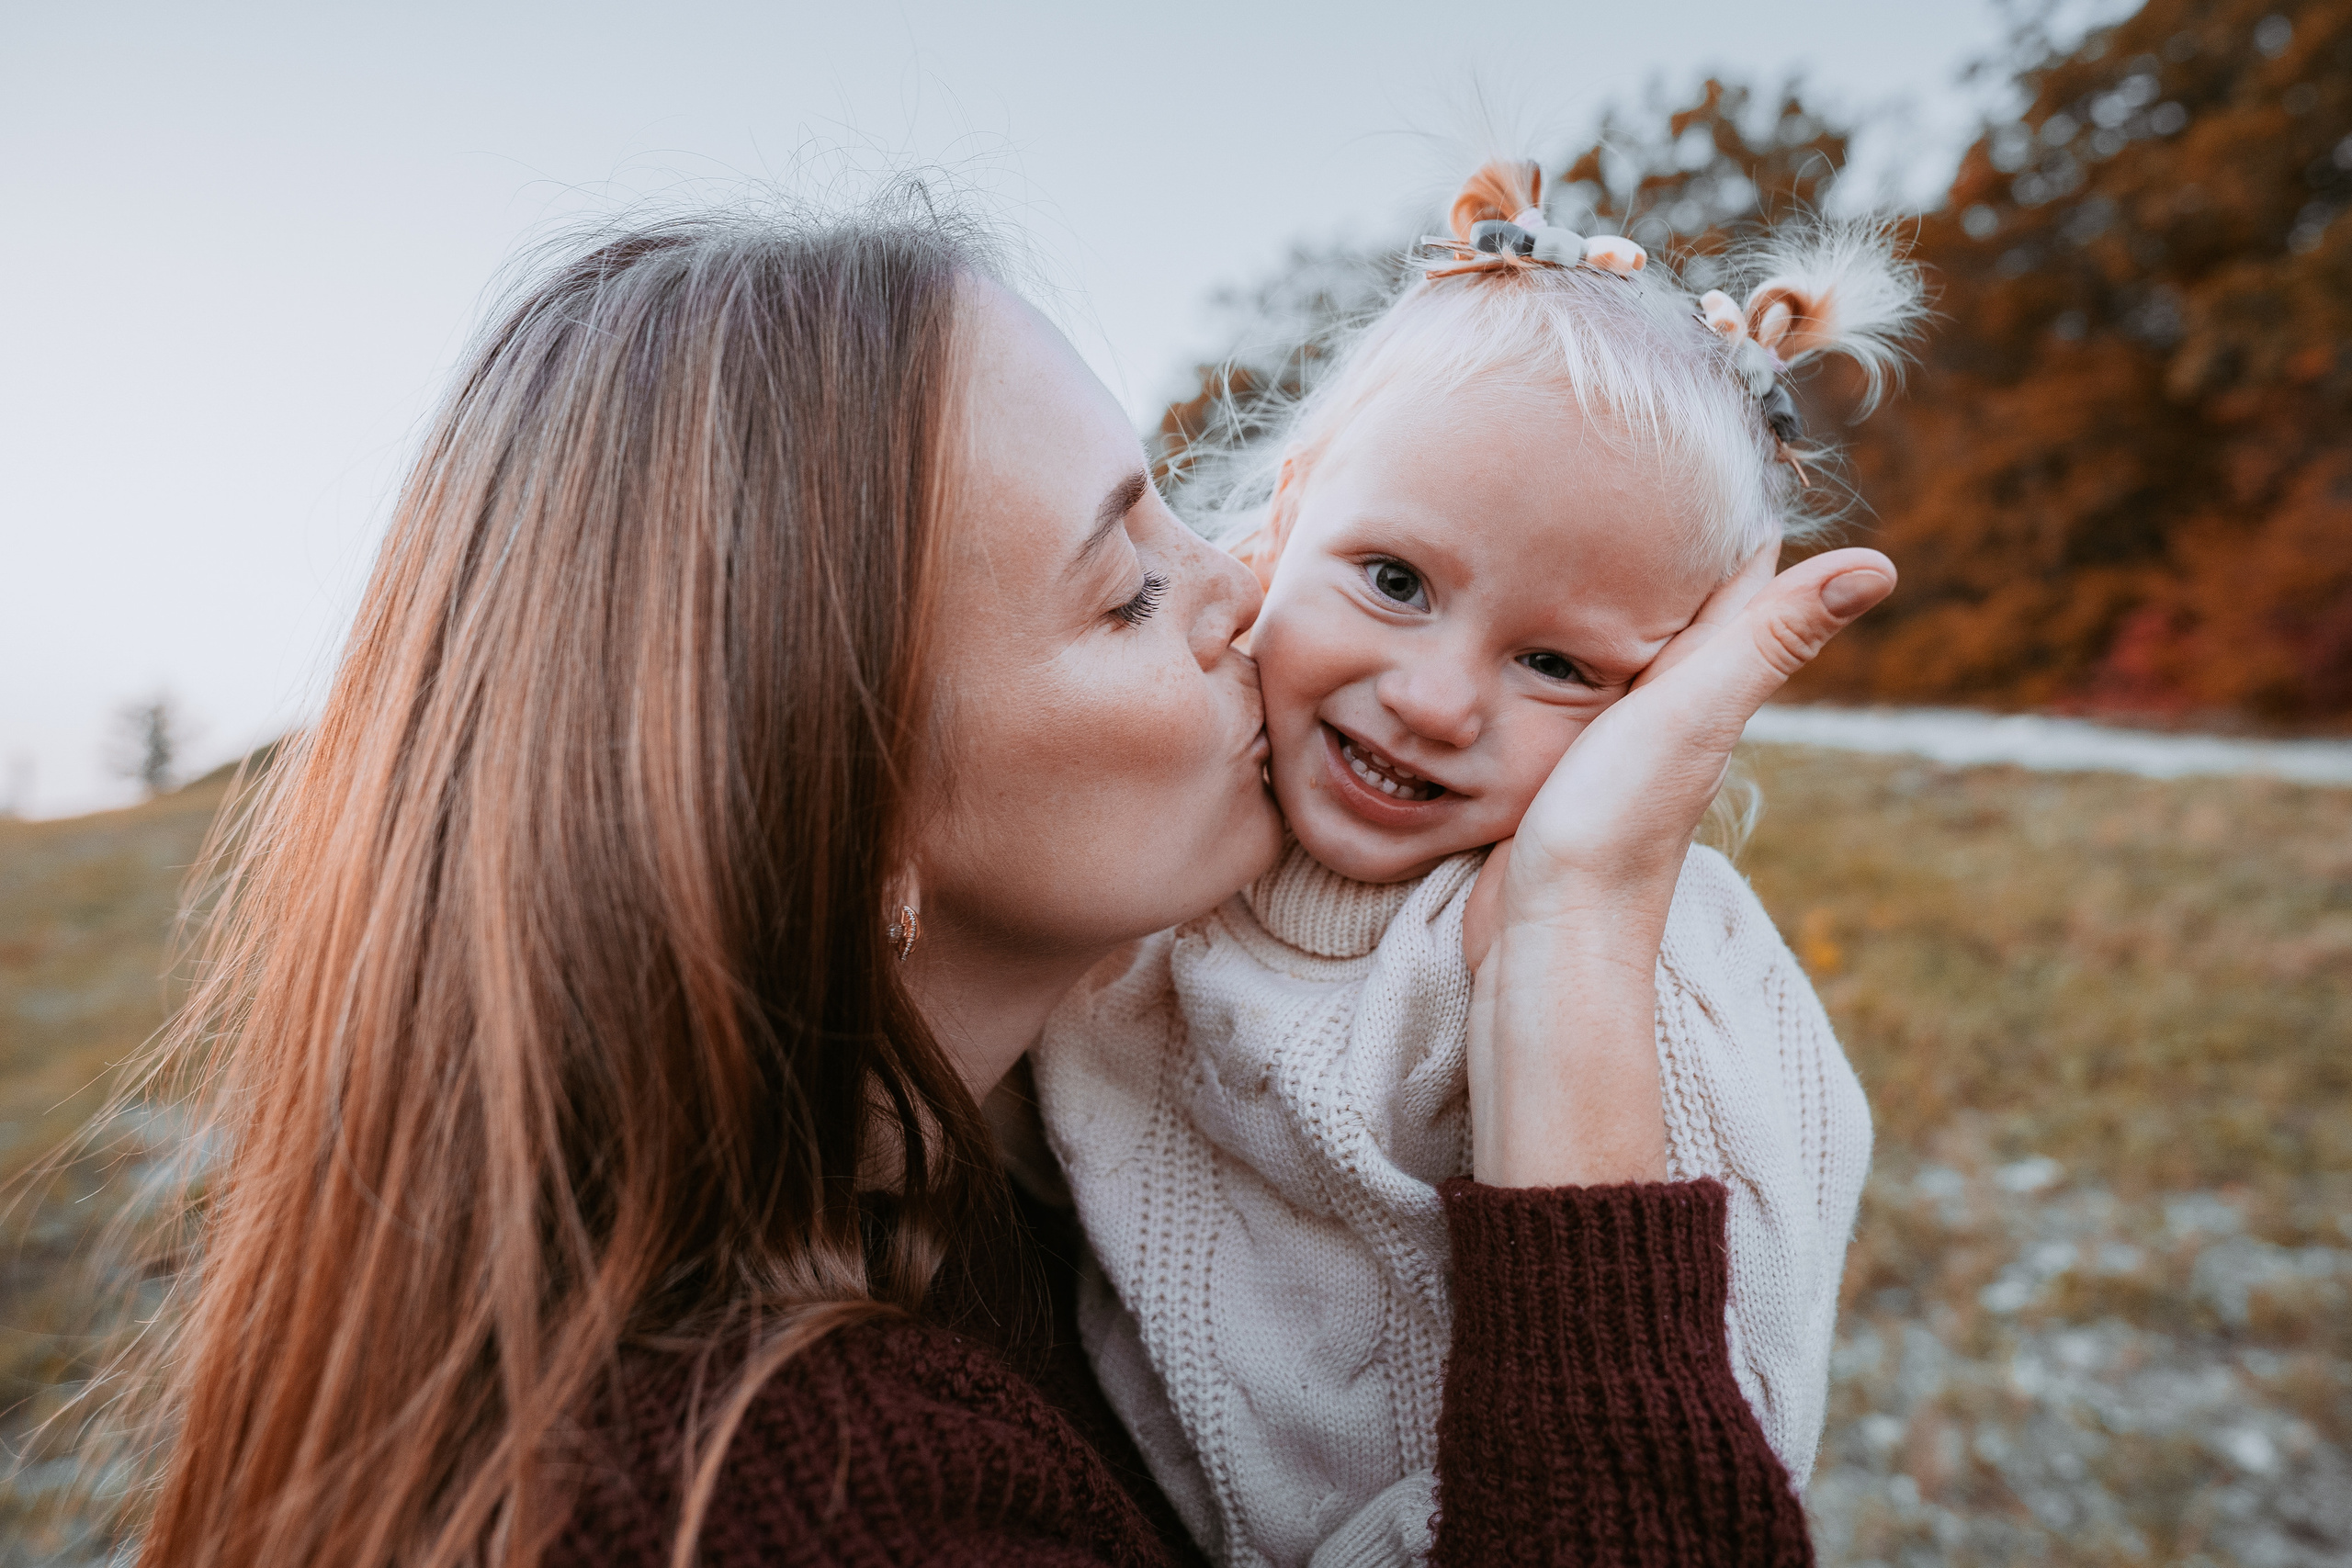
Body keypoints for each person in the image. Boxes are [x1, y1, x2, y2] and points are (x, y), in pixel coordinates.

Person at [121, 185, 1894, 1568]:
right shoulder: (793, 1504)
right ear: (848, 804)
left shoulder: (953, 1201)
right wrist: (1572, 945)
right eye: (1125, 585)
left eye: (1178, 513)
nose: (1240, 590)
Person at [1032, 159, 1922, 1567]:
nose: (1439, 702)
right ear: (1293, 504)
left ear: (1668, 695)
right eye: (1393, 580)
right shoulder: (1150, 845)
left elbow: (1717, 1432)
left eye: (1558, 663)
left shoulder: (1633, 975)